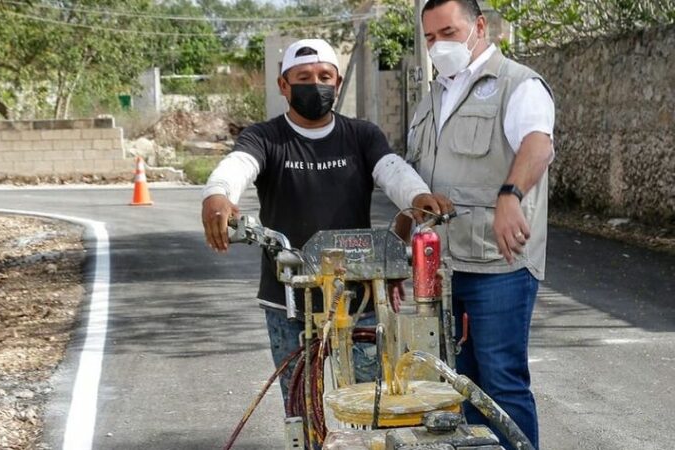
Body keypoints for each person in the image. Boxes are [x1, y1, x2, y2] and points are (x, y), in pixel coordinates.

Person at [201, 38, 448, 412]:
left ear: (336, 81)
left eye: (324, 76)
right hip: (288, 301)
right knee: (301, 408)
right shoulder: (265, 137)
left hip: (362, 298)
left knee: (374, 404)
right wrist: (218, 194)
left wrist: (417, 196)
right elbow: (237, 165)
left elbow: (392, 170)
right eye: (303, 77)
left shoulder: (362, 135)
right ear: (284, 86)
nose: (315, 84)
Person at [397, 0, 555, 448]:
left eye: (448, 32)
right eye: (430, 38)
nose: (438, 45)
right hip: (441, 268)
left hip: (496, 266)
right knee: (457, 386)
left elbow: (537, 146)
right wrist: (400, 239)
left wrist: (510, 197)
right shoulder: (432, 98)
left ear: (479, 26)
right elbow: (415, 175)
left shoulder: (517, 85)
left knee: (501, 381)